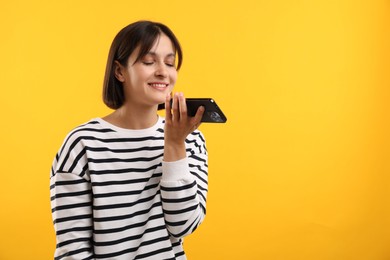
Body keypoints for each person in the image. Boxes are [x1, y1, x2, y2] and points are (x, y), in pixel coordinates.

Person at [50, 20, 208, 259]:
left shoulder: (191, 139)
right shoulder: (82, 144)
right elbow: (73, 251)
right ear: (119, 71)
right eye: (148, 61)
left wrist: (175, 145)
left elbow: (183, 226)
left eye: (169, 62)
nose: (163, 72)